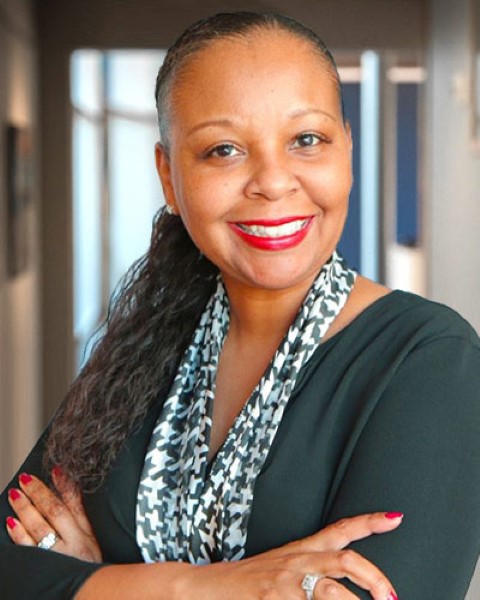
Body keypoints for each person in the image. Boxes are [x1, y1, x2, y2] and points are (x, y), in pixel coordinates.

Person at [1, 11, 480, 600]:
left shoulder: (431, 361)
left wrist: (95, 582)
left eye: (307, 139)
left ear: (346, 153)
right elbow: (9, 560)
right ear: (169, 178)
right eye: (223, 149)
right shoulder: (147, 340)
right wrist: (215, 587)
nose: (273, 183)